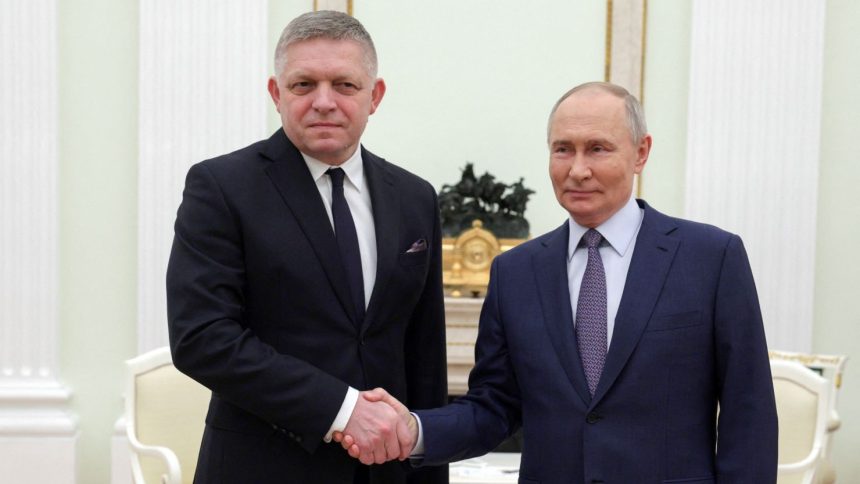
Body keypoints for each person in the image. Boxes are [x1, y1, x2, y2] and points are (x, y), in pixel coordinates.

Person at [338, 82, 779, 483]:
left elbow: (749, 413)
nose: (578, 169)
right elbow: (494, 406)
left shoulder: (711, 258)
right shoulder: (515, 272)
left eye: (599, 149)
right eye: (563, 149)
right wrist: (414, 430)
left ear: (641, 152)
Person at [166, 10, 448, 484]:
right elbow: (202, 339)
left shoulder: (415, 197)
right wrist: (342, 409)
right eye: (303, 85)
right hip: (262, 468)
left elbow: (424, 357)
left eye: (344, 84)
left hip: (387, 474)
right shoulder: (220, 187)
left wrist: (426, 467)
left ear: (374, 96)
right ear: (277, 94)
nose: (324, 102)